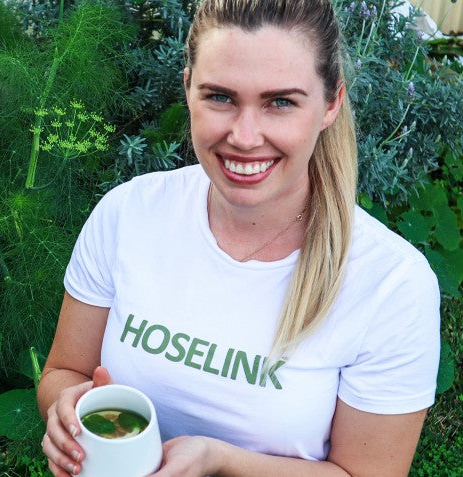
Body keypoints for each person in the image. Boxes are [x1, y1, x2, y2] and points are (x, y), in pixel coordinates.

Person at [37, 0, 441, 475]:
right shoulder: (130, 213)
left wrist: (220, 460)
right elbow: (63, 374)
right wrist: (66, 410)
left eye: (281, 102)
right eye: (221, 97)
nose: (245, 137)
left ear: (331, 104)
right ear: (187, 88)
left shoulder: (390, 283)